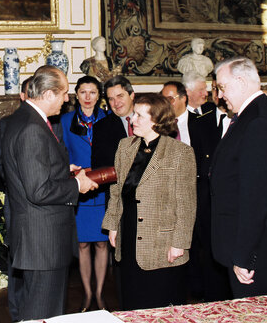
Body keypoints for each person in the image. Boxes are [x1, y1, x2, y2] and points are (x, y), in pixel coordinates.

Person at [0, 65, 98, 320]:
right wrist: (78, 185)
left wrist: (65, 169)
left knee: (40, 311)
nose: (67, 100)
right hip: (43, 242)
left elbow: (32, 170)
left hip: (39, 239)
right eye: (64, 93)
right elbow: (38, 190)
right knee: (43, 313)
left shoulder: (23, 119)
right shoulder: (32, 128)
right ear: (48, 93)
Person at [210, 56, 267, 297]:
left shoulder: (258, 121)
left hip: (258, 251)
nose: (220, 95)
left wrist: (245, 255)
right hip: (253, 245)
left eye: (222, 87)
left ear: (240, 81)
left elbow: (257, 194)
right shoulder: (255, 115)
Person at [102, 93, 196, 310]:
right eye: (134, 114)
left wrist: (179, 243)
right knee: (131, 300)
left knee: (159, 303)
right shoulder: (125, 147)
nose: (132, 119)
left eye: (139, 115)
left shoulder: (180, 153)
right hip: (129, 232)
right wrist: (112, 226)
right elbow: (116, 191)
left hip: (162, 242)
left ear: (156, 120)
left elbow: (186, 203)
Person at [60, 76, 109, 312]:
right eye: (83, 92)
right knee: (82, 245)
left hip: (102, 188)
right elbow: (62, 156)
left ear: (98, 95)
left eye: (92, 92)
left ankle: (99, 294)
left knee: (101, 244)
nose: (87, 97)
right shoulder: (66, 120)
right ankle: (87, 294)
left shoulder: (108, 120)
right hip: (78, 188)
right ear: (75, 95)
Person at [189, 76, 232, 302]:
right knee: (207, 254)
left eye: (222, 89)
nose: (218, 94)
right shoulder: (199, 123)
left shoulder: (244, 123)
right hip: (206, 202)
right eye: (216, 89)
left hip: (234, 203)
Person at [91, 75, 136, 169]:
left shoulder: (150, 119)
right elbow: (100, 167)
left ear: (131, 95)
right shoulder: (101, 128)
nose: (116, 103)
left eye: (120, 96)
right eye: (111, 99)